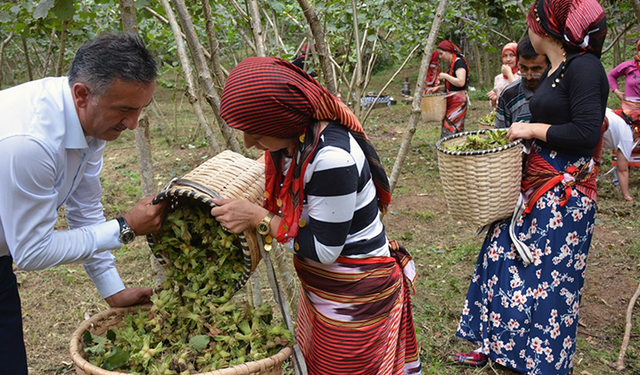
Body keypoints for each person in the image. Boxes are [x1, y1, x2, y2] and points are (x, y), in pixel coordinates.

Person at [210, 56, 422, 375]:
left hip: (355, 299)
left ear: (283, 123)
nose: (248, 142)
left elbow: (324, 251)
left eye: (256, 132)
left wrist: (257, 216)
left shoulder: (331, 159)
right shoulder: (296, 142)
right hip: (326, 294)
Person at [455, 0, 609, 374]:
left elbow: (587, 133)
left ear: (546, 28)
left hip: (563, 193)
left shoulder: (586, 68)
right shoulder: (561, 67)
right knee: (503, 256)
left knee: (550, 283)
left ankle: (543, 362)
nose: (528, 31)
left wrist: (531, 129)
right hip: (538, 182)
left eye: (531, 23)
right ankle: (501, 347)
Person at [0, 33, 167, 375]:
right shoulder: (31, 142)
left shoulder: (90, 123)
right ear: (81, 94)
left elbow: (85, 210)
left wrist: (113, 290)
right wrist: (125, 228)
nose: (132, 124)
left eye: (139, 109)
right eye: (124, 110)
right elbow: (32, 251)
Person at [495, 36, 550, 129]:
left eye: (536, 69)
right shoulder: (509, 95)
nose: (529, 76)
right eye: (524, 68)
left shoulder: (560, 90)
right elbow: (500, 135)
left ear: (549, 64)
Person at [426, 40, 470, 139]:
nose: (440, 57)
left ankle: (453, 149)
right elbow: (453, 85)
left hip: (458, 101)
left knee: (453, 127)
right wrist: (439, 88)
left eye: (441, 54)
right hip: (451, 100)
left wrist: (445, 76)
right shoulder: (452, 65)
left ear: (448, 51)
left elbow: (460, 82)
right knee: (449, 126)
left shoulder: (459, 63)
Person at [603, 108, 637, 202]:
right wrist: (626, 195)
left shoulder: (617, 116)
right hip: (597, 124)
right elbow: (622, 169)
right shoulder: (627, 136)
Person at [487, 42, 520, 109]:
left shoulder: (522, 75)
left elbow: (517, 92)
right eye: (505, 56)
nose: (508, 59)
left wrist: (509, 74)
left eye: (512, 55)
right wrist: (493, 99)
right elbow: (495, 104)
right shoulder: (498, 78)